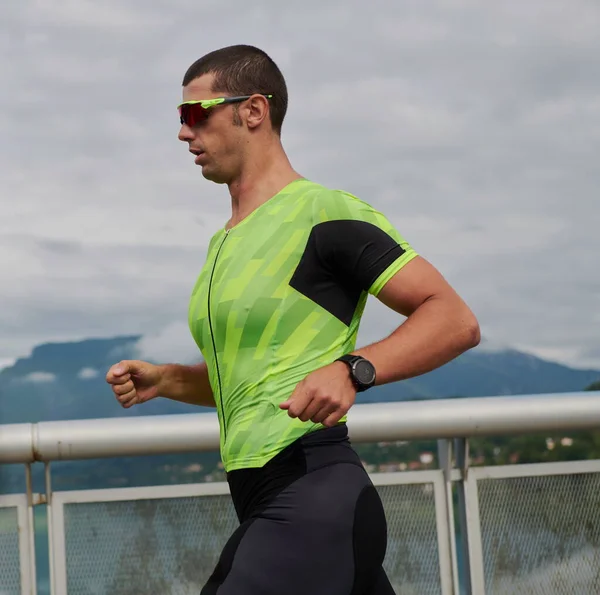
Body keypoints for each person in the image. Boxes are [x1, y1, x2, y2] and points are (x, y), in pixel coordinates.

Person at [106, 44, 480, 595]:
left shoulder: (323, 213)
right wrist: (167, 380)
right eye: (179, 118)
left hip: (312, 496)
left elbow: (454, 319)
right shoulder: (224, 241)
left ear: (253, 110)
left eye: (195, 114)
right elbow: (256, 379)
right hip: (268, 503)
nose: (184, 133)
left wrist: (353, 369)